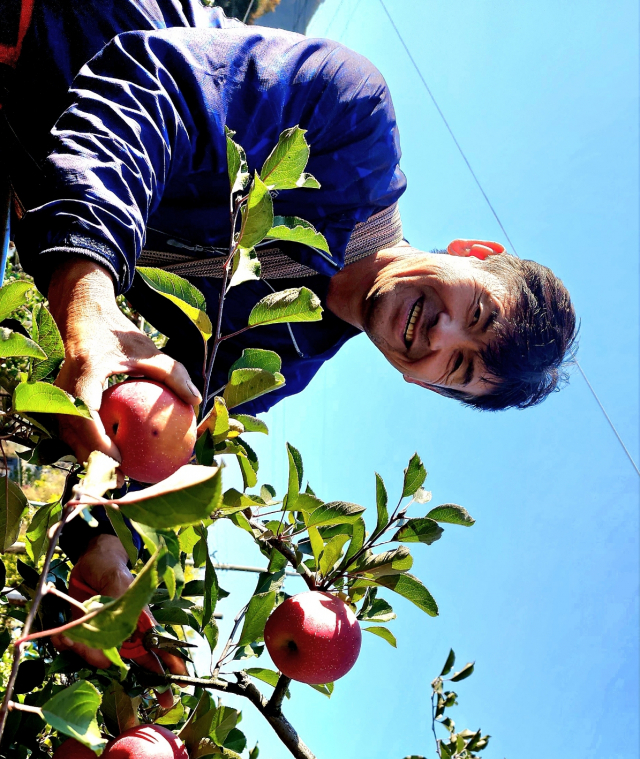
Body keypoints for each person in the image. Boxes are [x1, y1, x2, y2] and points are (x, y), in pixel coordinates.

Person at [0, 1, 577, 667]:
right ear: (474, 251)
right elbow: (156, 86)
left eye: (458, 367)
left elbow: (144, 436)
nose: (439, 335)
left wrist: (104, 546)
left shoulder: (282, 358)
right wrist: (89, 296)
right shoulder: (352, 119)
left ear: (425, 384)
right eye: (475, 312)